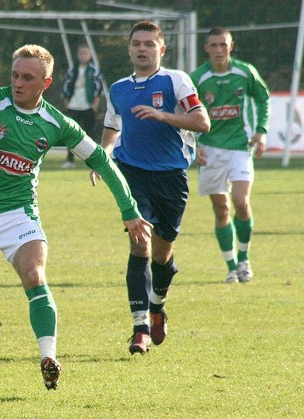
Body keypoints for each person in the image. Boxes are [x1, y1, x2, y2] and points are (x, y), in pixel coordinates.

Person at [0, 44, 151, 390]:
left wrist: (129, 210)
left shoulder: (56, 123)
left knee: (34, 275)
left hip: (19, 214)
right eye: (15, 75)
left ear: (45, 84)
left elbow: (101, 160)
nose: (18, 83)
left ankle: (48, 357)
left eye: (27, 78)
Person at [92, 21, 210, 355]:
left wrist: (162, 116)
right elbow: (112, 127)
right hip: (132, 173)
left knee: (162, 253)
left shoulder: (175, 80)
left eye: (149, 44)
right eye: (136, 44)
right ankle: (140, 327)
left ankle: (157, 306)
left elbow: (202, 122)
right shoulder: (118, 88)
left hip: (172, 175)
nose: (142, 49)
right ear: (129, 49)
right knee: (139, 242)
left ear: (161, 49)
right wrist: (103, 158)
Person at [190, 27, 270, 284]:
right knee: (221, 208)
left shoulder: (245, 72)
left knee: (240, 201)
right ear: (206, 48)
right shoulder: (198, 78)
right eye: (213, 45)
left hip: (239, 146)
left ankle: (245, 260)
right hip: (210, 150)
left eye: (223, 45)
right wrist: (193, 144)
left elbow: (262, 98)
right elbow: (184, 111)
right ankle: (231, 267)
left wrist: (261, 131)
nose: (218, 50)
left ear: (231, 46)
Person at [60, 44, 104, 169]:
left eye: (85, 53)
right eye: (81, 53)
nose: (83, 56)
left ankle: (91, 161)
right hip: (74, 105)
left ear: (89, 55)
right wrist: (67, 102)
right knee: (71, 133)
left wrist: (95, 104)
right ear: (77, 55)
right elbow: (65, 86)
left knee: (89, 133)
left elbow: (98, 88)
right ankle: (70, 160)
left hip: (88, 105)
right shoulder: (72, 70)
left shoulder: (93, 70)